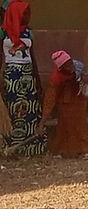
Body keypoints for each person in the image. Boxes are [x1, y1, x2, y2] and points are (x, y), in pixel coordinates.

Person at [1, 0, 45, 156]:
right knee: (13, 110)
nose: (27, 16)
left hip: (27, 74)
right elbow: (2, 57)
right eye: (24, 12)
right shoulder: (3, 32)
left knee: (29, 110)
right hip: (11, 76)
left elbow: (33, 57)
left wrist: (37, 79)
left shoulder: (29, 32)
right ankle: (11, 148)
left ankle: (30, 148)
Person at [41, 50, 88, 158]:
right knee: (64, 126)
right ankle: (59, 150)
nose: (70, 67)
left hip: (79, 100)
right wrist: (43, 121)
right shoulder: (56, 78)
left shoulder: (79, 66)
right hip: (65, 102)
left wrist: (87, 78)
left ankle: (83, 150)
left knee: (80, 125)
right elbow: (50, 98)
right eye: (67, 66)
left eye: (70, 63)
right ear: (61, 68)